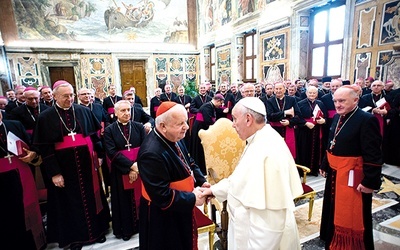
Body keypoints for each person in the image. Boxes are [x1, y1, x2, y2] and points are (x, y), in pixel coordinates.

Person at [200, 97, 303, 249]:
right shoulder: (258, 139)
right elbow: (240, 180)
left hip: (260, 240)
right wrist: (213, 190)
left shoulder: (267, 148)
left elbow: (271, 221)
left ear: (248, 119)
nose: (233, 125)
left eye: (235, 119)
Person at [33, 80, 110, 250]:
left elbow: (94, 137)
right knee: (68, 202)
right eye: (65, 96)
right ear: (54, 97)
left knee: (92, 196)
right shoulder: (45, 117)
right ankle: (75, 238)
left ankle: (97, 232)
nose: (70, 99)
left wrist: (100, 156)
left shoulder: (83, 111)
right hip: (64, 169)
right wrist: (54, 173)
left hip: (87, 165)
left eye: (71, 95)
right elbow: (46, 149)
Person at [137, 101, 208, 250]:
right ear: (163, 126)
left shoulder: (174, 136)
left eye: (186, 121)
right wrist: (193, 198)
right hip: (164, 217)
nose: (187, 127)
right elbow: (162, 196)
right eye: (180, 123)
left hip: (180, 207)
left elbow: (189, 161)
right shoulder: (151, 153)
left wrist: (201, 181)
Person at [319, 85, 382, 250]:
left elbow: (373, 154)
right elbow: (331, 143)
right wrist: (325, 163)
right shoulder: (337, 117)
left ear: (356, 100)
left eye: (342, 101)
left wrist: (370, 182)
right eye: (335, 101)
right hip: (335, 173)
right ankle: (333, 241)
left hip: (355, 177)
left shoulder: (367, 119)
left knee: (355, 213)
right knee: (332, 209)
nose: (337, 105)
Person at [0, 110, 46, 250]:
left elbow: (32, 144)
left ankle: (34, 243)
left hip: (22, 172)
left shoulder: (14, 125)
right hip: (2, 180)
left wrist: (33, 153)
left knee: (27, 206)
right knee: (6, 213)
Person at [104, 100, 146, 241]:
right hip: (120, 170)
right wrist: (130, 167)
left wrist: (136, 167)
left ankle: (142, 225)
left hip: (140, 169)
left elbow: (146, 148)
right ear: (115, 113)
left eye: (128, 110)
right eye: (123, 110)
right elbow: (111, 152)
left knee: (141, 198)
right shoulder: (109, 130)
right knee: (124, 200)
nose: (127, 113)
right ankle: (127, 229)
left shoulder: (139, 127)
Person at [266, 82, 303, 159]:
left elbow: (298, 115)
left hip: (288, 128)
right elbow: (270, 116)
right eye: (276, 89)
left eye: (280, 88)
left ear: (284, 89)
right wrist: (285, 113)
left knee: (288, 153)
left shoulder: (291, 99)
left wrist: (289, 122)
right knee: (275, 153)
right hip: (275, 130)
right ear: (274, 90)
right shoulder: (270, 101)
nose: (278, 90)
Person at [190, 94, 225, 174]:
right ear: (217, 100)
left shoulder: (211, 106)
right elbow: (208, 121)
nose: (221, 105)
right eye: (221, 103)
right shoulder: (207, 107)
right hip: (200, 129)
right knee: (199, 149)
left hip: (203, 128)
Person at [297, 86, 327, 176]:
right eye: (310, 93)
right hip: (304, 130)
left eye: (314, 93)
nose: (312, 94)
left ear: (317, 94)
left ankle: (314, 170)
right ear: (306, 93)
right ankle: (303, 171)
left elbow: (325, 116)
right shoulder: (300, 103)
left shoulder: (320, 103)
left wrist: (323, 120)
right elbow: (297, 117)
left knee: (315, 149)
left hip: (316, 130)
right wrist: (305, 123)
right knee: (304, 149)